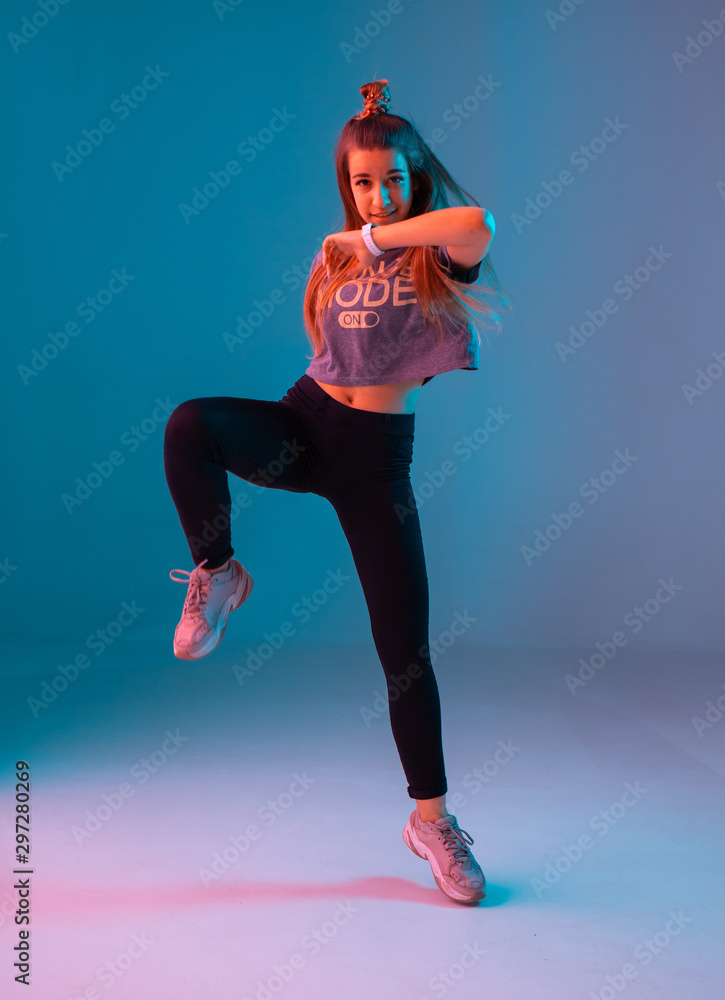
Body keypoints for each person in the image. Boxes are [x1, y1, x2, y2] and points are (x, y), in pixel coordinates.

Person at [163, 78, 511, 905]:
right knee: (189, 425)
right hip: (306, 422)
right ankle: (222, 571)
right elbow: (331, 352)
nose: (378, 193)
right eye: (363, 181)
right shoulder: (335, 254)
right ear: (346, 183)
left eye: (394, 178)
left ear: (413, 179)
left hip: (375, 463)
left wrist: (374, 236)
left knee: (403, 653)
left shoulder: (431, 246)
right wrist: (349, 248)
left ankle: (431, 821)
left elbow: (477, 224)